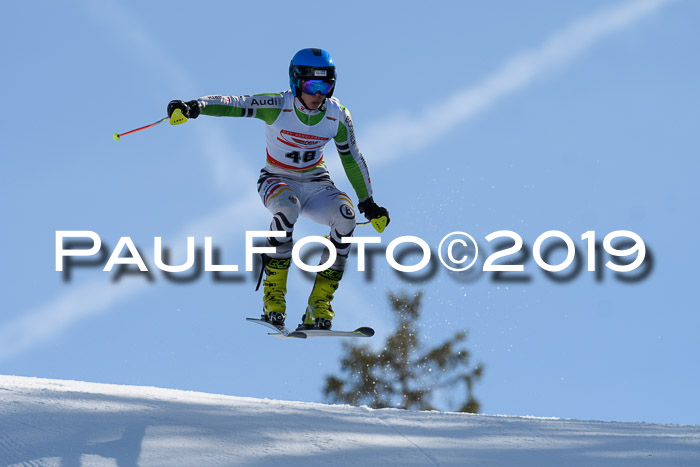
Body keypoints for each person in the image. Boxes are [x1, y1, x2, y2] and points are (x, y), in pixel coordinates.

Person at [167, 48, 389, 331]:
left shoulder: (337, 116)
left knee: (346, 217)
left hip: (316, 183)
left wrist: (367, 201)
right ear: (296, 83)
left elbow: (352, 157)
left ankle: (319, 303)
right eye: (311, 85)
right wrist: (194, 106)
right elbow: (234, 103)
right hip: (276, 179)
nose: (318, 94)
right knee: (287, 207)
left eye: (326, 86)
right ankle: (274, 296)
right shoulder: (278, 105)